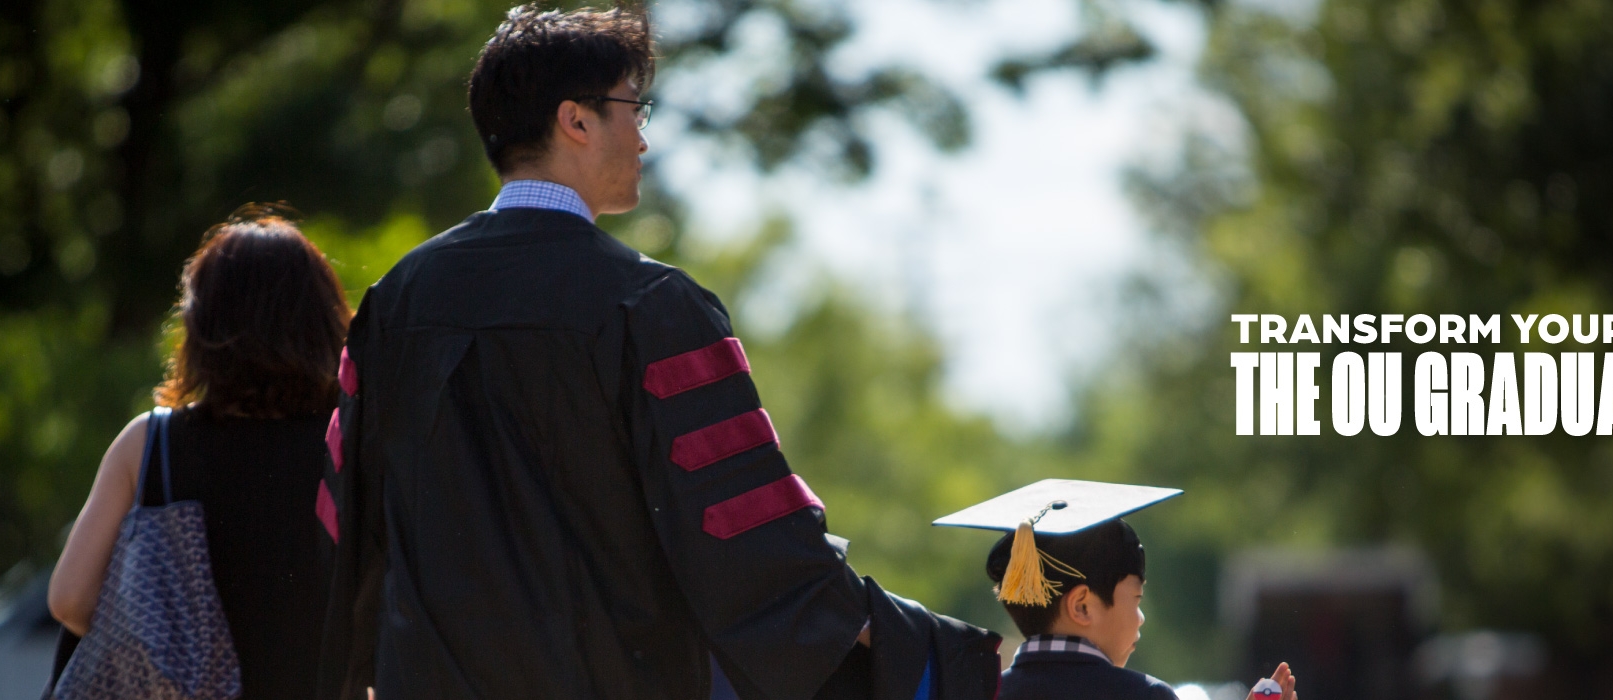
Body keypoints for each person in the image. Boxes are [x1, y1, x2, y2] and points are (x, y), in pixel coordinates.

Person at [316, 6, 997, 700]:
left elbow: (348, 531)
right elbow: (757, 549)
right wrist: (929, 649)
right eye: (633, 108)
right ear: (575, 121)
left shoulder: (392, 305)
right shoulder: (651, 306)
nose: (642, 137)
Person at [48, 204, 348, 699]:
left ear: (202, 326)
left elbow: (69, 600)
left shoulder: (152, 445)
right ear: (324, 322)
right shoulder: (350, 442)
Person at [934, 480, 1297, 700]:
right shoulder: (1143, 696)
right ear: (1083, 607)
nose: (1140, 618)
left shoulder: (986, 692)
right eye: (1135, 599)